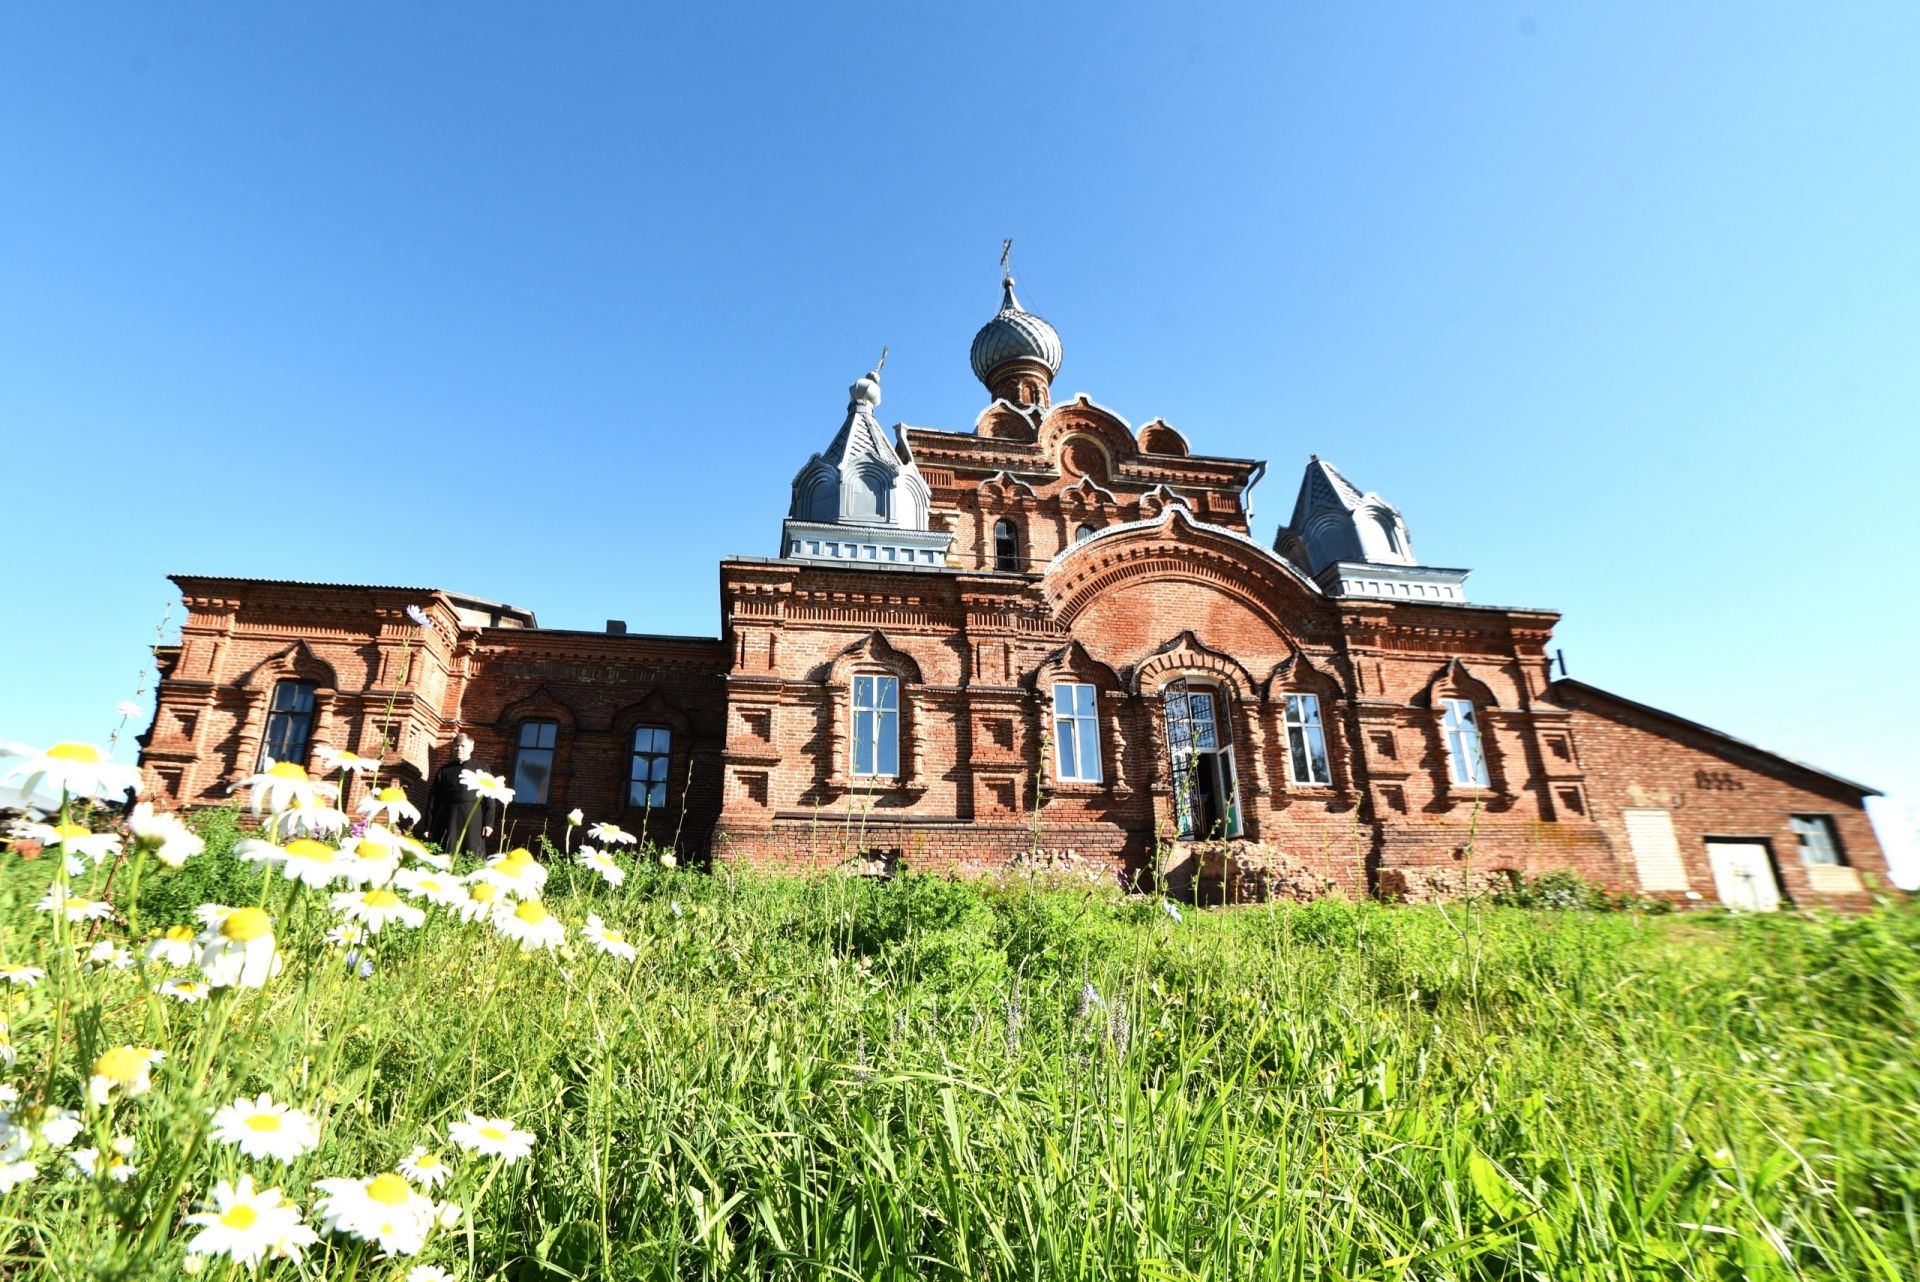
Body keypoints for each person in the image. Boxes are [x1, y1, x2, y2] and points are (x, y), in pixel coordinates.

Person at [423, 733, 498, 857]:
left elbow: (490, 797)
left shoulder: (481, 768)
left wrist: (488, 823)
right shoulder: (444, 770)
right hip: (448, 817)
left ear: (471, 748)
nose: (459, 749)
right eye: (456, 746)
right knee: (447, 852)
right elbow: (433, 800)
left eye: (463, 746)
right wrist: (428, 827)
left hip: (473, 817)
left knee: (472, 853)